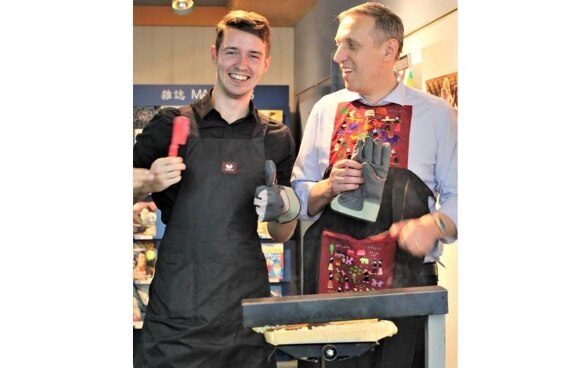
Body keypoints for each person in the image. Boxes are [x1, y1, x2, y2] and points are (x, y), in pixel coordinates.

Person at [291, 2, 457, 367]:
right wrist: (327, 188)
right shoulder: (325, 110)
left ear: (388, 49)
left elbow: (463, 197)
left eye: (350, 44)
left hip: (408, 291)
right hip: (331, 291)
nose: (337, 56)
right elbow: (299, 196)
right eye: (337, 44)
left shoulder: (437, 114)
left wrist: (433, 225)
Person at [133, 10, 298, 368]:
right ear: (215, 54)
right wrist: (148, 181)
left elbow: (283, 233)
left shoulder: (277, 138)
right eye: (232, 52)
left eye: (254, 55)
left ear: (266, 63)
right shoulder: (171, 124)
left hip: (245, 315)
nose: (242, 64)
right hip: (177, 319)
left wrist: (283, 207)